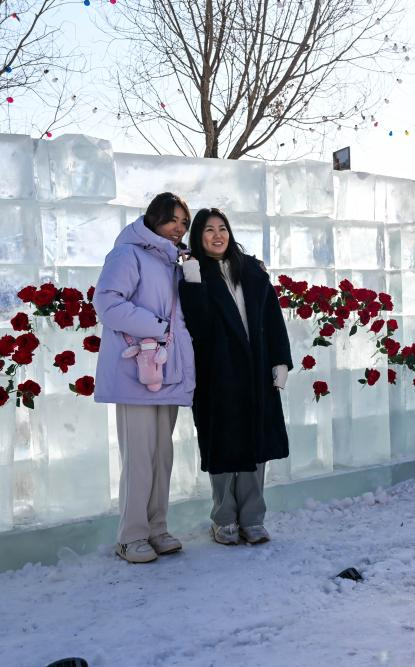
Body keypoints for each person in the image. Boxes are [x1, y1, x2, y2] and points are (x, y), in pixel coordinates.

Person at [179, 208, 293, 546]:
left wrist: (281, 361)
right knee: (224, 448)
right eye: (208, 230)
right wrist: (193, 279)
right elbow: (197, 326)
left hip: (256, 369)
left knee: (256, 447)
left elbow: (272, 319)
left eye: (222, 228)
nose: (217, 235)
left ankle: (253, 518)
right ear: (198, 237)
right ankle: (224, 518)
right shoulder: (194, 272)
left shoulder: (254, 272)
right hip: (218, 372)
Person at [94, 192, 196, 564]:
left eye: (184, 223)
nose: (178, 229)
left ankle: (157, 527)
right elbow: (107, 303)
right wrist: (155, 327)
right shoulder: (128, 253)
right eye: (172, 220)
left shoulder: (175, 262)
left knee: (161, 455)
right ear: (154, 219)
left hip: (165, 369)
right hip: (134, 368)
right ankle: (130, 535)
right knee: (138, 456)